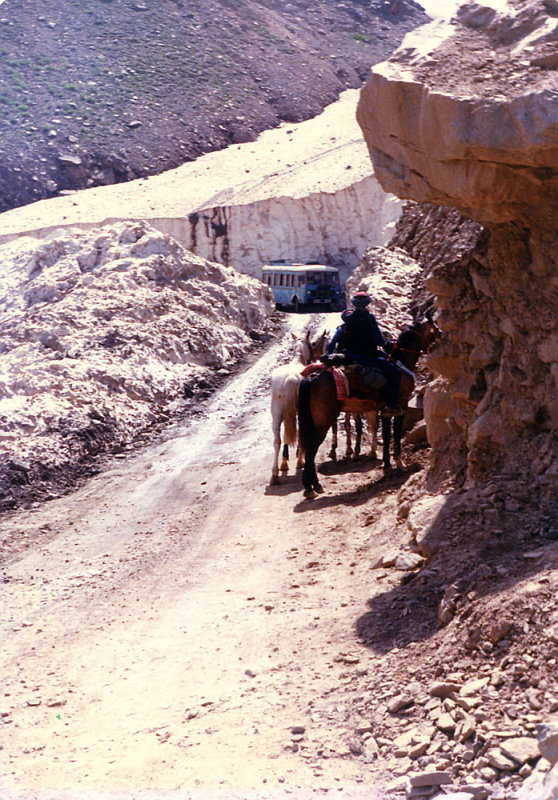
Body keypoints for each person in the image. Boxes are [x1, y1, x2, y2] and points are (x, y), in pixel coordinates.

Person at [327, 291, 402, 414]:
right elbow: (378, 340)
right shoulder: (369, 318)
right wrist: (388, 344)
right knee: (395, 373)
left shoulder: (348, 320)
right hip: (367, 357)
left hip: (349, 356)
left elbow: (332, 345)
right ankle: (390, 405)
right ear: (367, 303)